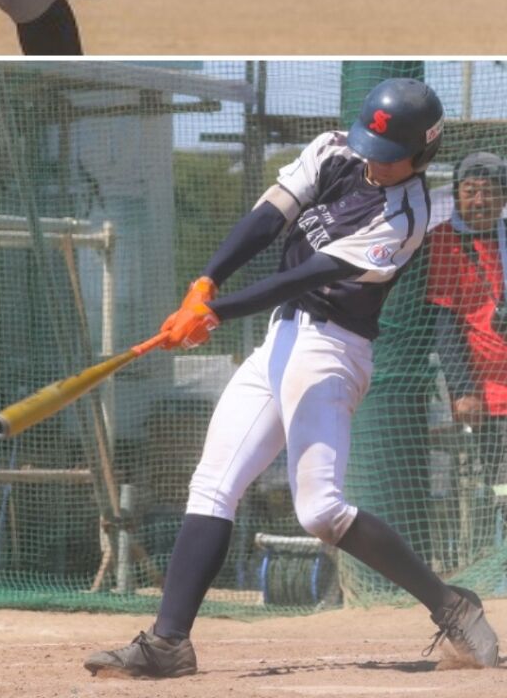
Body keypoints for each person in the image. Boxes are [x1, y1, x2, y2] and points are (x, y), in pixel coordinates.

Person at [84, 78, 500, 678]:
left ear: (423, 151)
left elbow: (308, 275)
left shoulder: (407, 215)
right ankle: (168, 643)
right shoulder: (334, 149)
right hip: (278, 341)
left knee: (320, 512)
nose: (376, 163)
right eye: (372, 149)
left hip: (333, 350)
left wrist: (215, 314)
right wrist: (206, 282)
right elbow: (267, 218)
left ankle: (451, 605)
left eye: (391, 157)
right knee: (212, 484)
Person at [425, 151, 507, 491]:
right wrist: (462, 391)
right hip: (489, 399)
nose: (480, 201)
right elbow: (444, 324)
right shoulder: (444, 241)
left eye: (489, 191)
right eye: (471, 191)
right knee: (500, 488)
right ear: (457, 194)